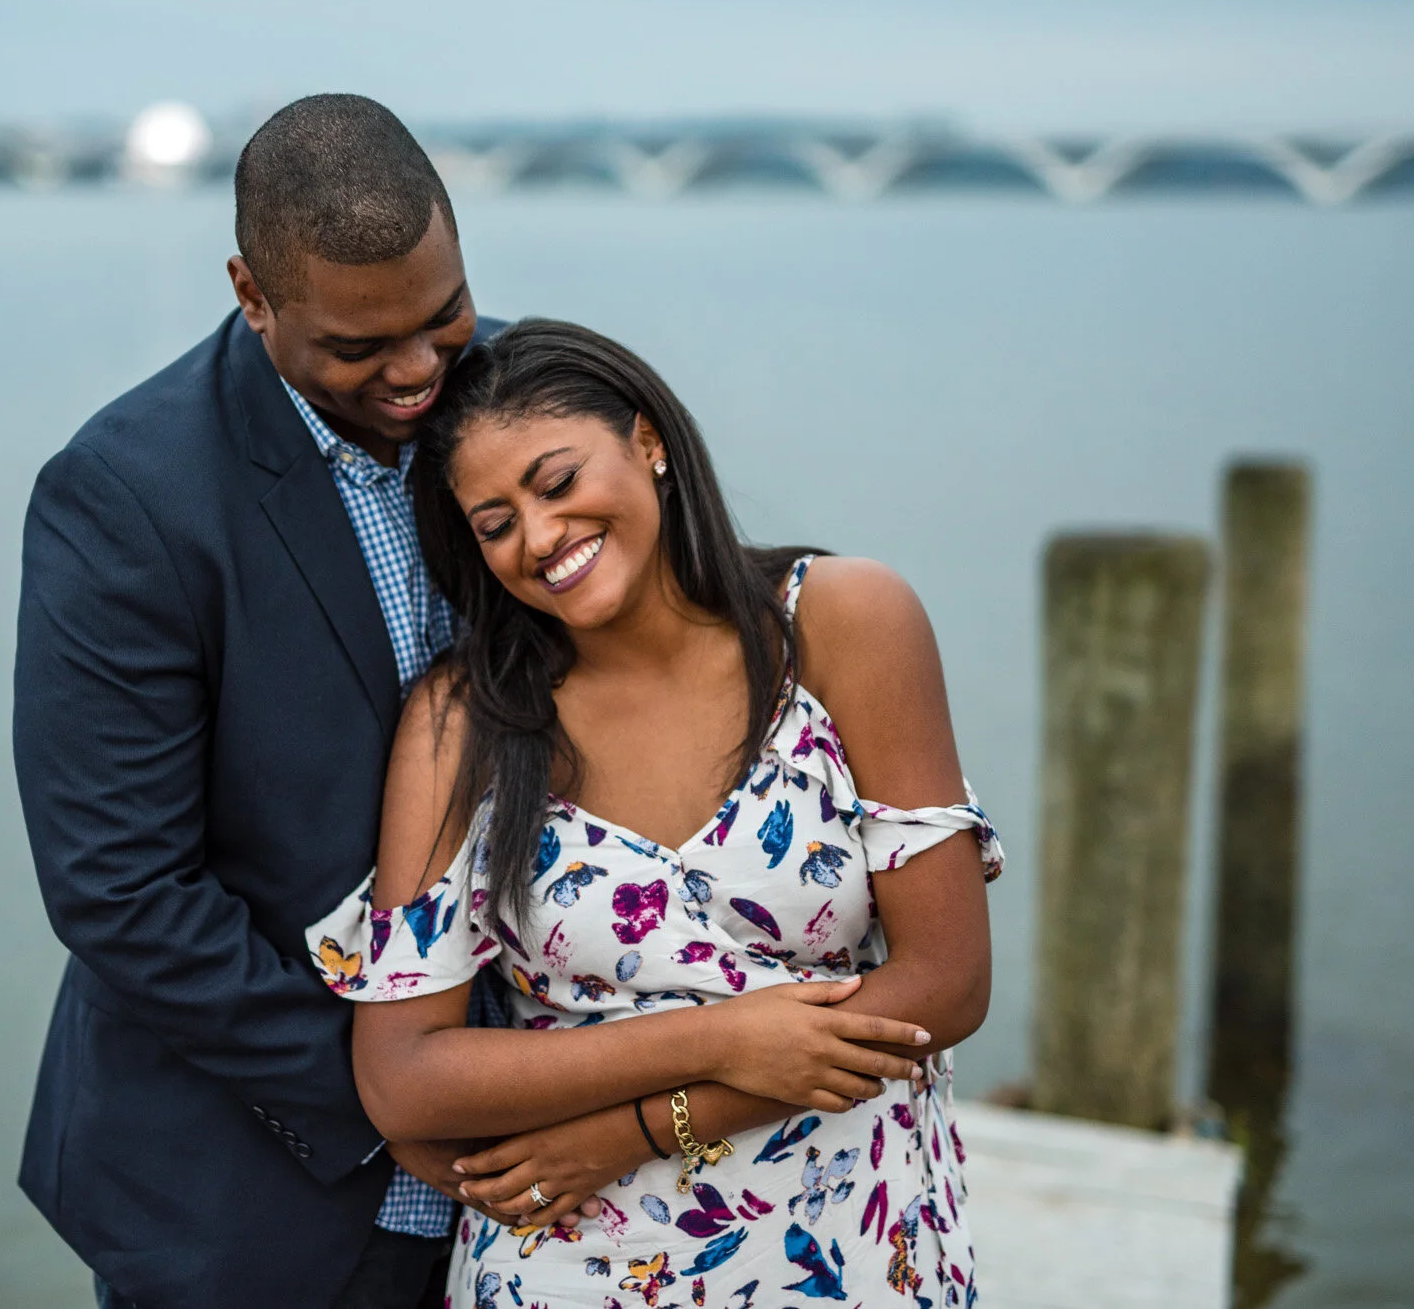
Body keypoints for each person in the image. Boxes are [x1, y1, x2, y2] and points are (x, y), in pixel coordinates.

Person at [307, 320, 1005, 1307]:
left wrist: (628, 1129)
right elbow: (403, 1074)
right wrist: (716, 1040)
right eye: (494, 522)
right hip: (571, 1264)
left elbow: (945, 982)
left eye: (555, 483)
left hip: (855, 1239)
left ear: (647, 441)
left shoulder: (842, 622)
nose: (539, 536)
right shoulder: (461, 721)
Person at [13, 94, 503, 1309]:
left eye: (441, 317)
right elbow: (121, 891)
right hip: (254, 1197)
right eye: (357, 345)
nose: (415, 372)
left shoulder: (522, 400)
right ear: (251, 291)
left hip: (541, 1179)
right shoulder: (125, 497)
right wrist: (410, 1095)